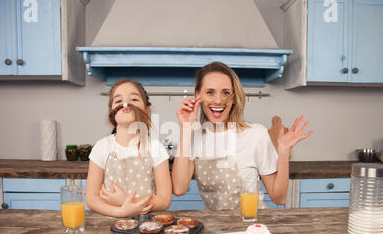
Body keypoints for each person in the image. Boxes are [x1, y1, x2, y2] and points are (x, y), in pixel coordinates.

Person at [172, 61, 312, 210]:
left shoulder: (256, 133)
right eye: (210, 92)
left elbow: (279, 197)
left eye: (225, 92)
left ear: (233, 98)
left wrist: (283, 152)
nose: (218, 100)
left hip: (252, 226)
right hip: (216, 228)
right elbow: (179, 189)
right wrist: (186, 128)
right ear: (198, 95)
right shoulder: (194, 139)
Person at [86, 79, 172, 217]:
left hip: (145, 223)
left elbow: (164, 200)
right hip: (109, 222)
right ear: (111, 113)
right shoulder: (102, 147)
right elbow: (92, 198)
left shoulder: (156, 148)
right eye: (118, 101)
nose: (126, 103)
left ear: (147, 110)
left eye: (134, 99)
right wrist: (120, 211)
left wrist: (125, 201)